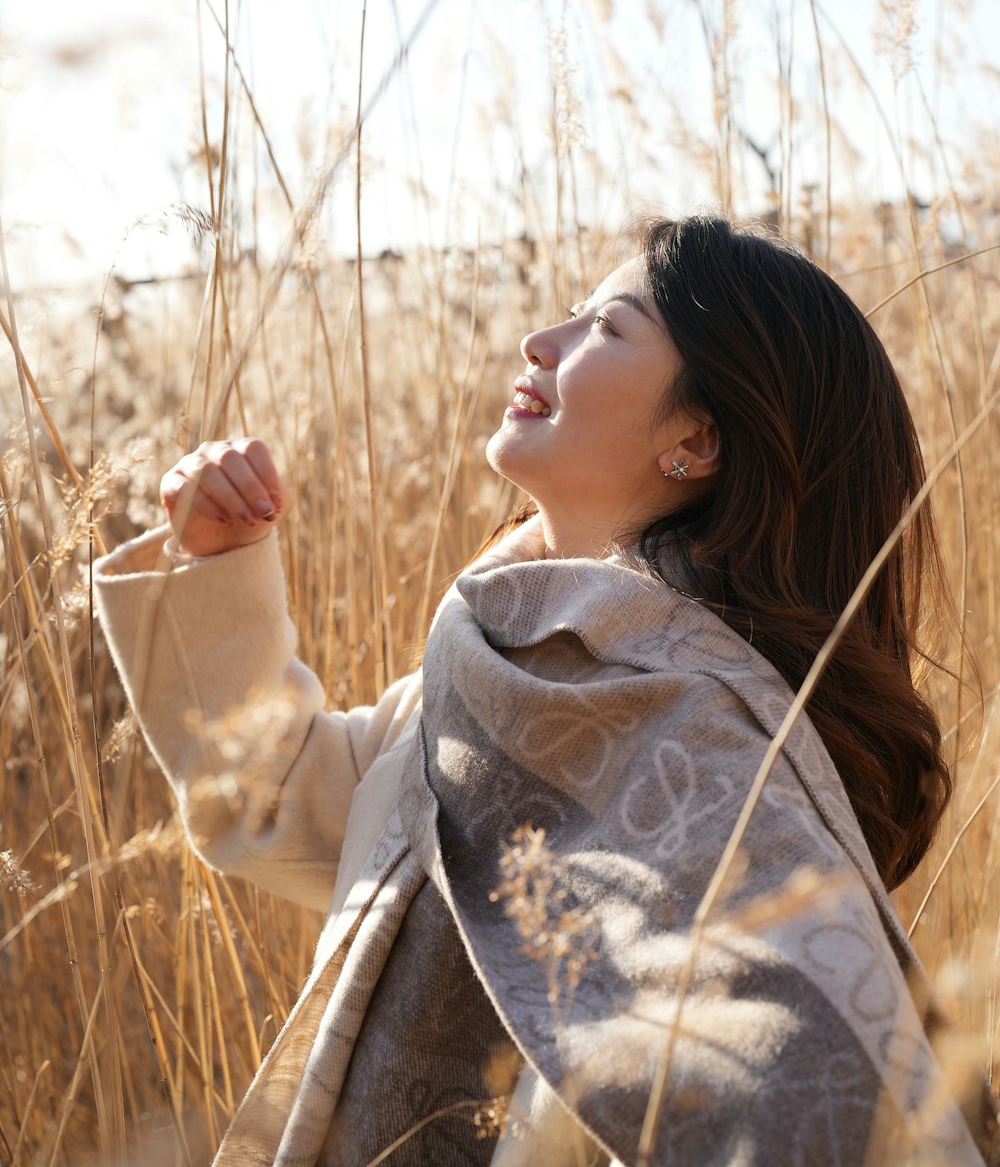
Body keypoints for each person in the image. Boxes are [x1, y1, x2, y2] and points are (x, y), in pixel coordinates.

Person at [95, 215, 997, 1166]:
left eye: (606, 328)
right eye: (571, 315)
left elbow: (807, 1082)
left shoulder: (696, 728)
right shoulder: (515, 665)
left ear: (696, 437)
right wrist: (220, 561)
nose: (541, 341)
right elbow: (287, 805)